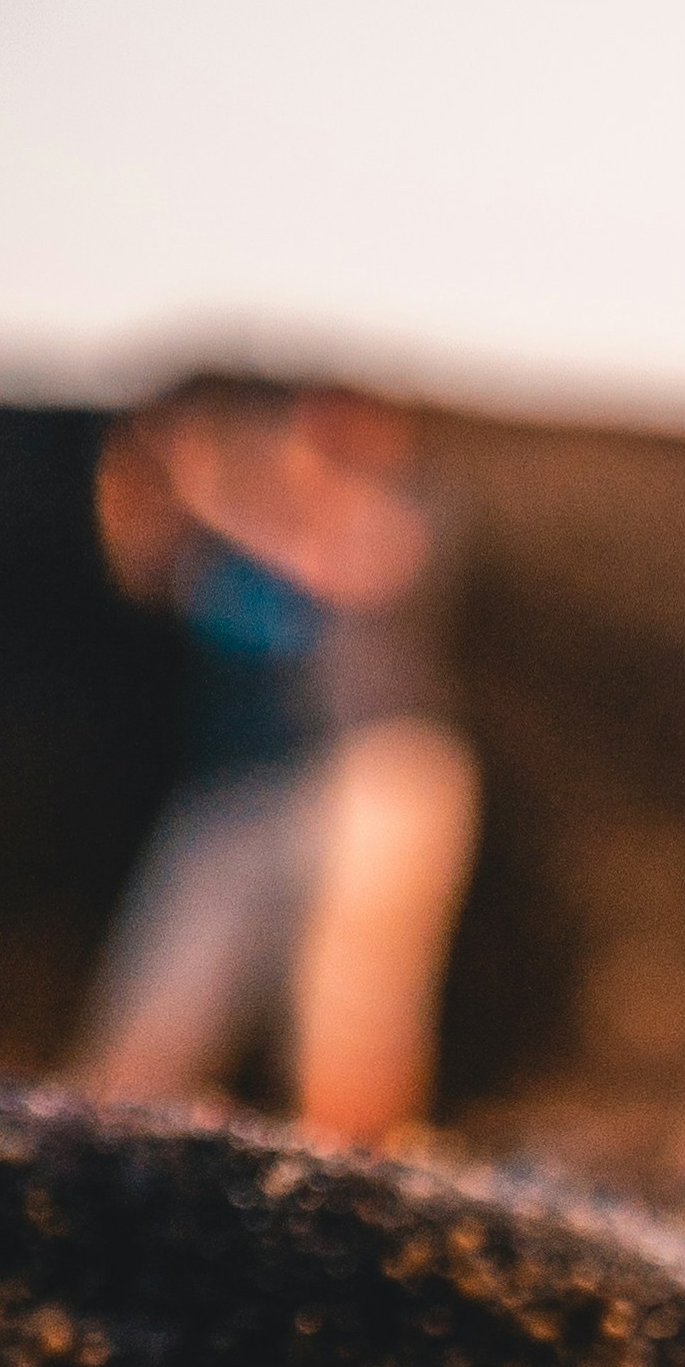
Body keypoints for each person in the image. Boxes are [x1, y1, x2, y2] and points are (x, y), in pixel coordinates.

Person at [74, 384, 481, 1144]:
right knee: (154, 1010)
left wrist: (212, 495)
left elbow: (350, 567)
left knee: (346, 1017)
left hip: (373, 772)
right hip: (239, 783)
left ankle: (364, 1184)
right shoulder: (220, 542)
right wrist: (141, 478)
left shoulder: (407, 510)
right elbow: (136, 568)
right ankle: (103, 1161)